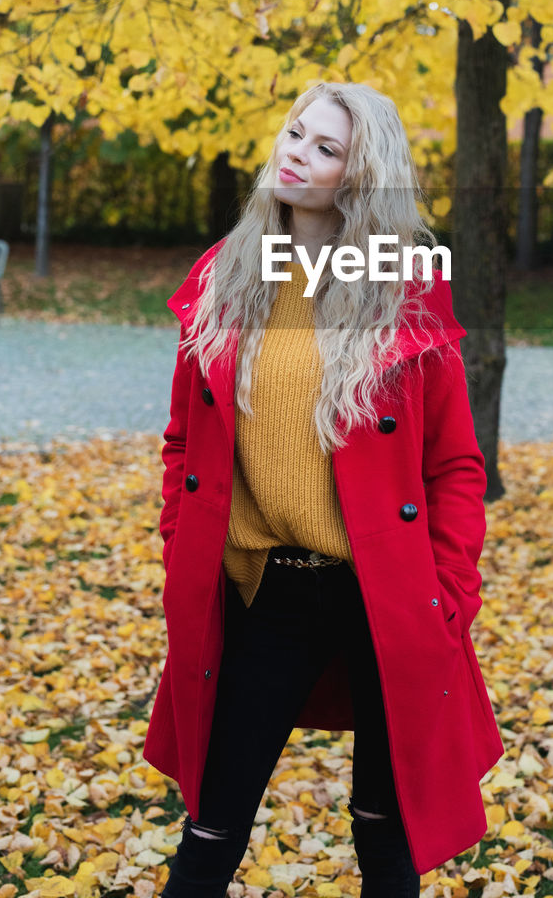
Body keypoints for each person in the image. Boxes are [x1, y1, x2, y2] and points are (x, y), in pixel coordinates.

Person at [143, 81, 503, 897]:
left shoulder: (404, 287)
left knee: (384, 834)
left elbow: (455, 466)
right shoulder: (223, 276)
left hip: (386, 595)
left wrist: (448, 594)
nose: (295, 153)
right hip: (263, 591)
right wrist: (181, 545)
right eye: (295, 134)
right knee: (208, 831)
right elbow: (180, 442)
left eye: (324, 147)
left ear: (360, 175)